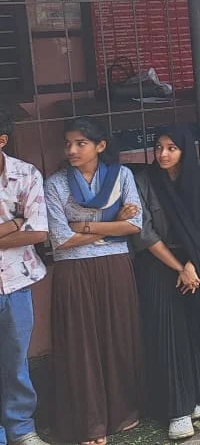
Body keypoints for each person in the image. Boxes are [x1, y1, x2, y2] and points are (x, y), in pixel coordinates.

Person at [44, 118, 144, 445]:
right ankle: (90, 424)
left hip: (115, 266)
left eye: (80, 144)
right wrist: (112, 222)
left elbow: (134, 226)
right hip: (73, 270)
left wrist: (84, 227)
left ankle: (122, 413)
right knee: (80, 344)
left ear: (100, 146)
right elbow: (59, 239)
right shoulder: (56, 184)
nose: (71, 150)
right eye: (68, 144)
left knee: (118, 336)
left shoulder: (122, 176)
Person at [132, 127, 200, 440]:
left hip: (196, 261)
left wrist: (192, 265)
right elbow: (144, 232)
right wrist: (181, 267)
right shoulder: (145, 181)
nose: (163, 154)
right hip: (158, 263)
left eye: (171, 148)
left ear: (185, 151)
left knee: (196, 326)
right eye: (159, 147)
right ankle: (178, 410)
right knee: (167, 333)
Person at [0, 112, 49, 445]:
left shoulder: (25, 174)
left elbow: (39, 231)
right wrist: (15, 223)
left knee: (16, 361)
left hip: (17, 283)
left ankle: (20, 429)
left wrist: (24, 227)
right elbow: (25, 225)